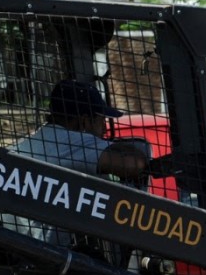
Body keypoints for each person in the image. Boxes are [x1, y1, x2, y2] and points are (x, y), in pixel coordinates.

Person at [10, 79, 153, 246]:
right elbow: (134, 163)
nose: (105, 130)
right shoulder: (71, 142)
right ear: (84, 122)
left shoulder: (33, 142)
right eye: (102, 122)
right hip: (49, 256)